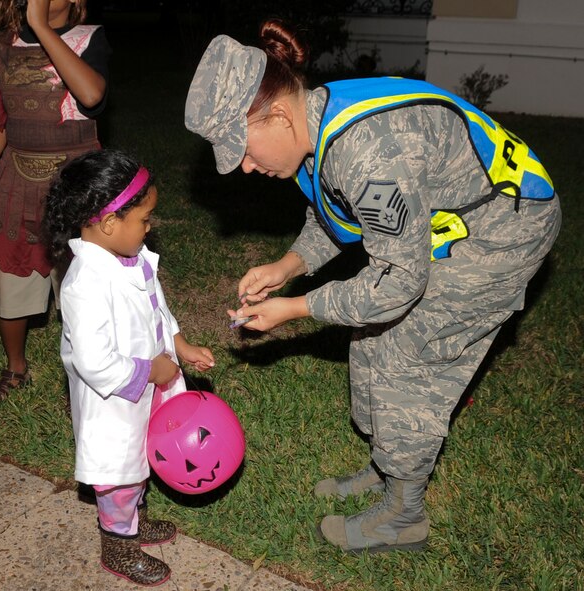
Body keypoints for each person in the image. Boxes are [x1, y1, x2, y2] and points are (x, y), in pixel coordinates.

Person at [184, 20, 561, 554]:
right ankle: (389, 470)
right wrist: (288, 266)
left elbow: (400, 282)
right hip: (457, 220)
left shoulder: (370, 152)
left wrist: (296, 308)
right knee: (370, 333)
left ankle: (405, 515)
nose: (245, 167)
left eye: (242, 151)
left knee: (411, 353)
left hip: (505, 230)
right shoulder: (315, 123)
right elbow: (338, 212)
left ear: (278, 115)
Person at [43, 149, 216, 585]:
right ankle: (118, 543)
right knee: (117, 474)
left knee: (140, 457)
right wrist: (149, 371)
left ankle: (134, 521)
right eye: (145, 218)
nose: (150, 226)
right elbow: (94, 361)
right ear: (108, 223)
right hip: (112, 402)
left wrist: (180, 345)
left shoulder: (132, 258)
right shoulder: (85, 283)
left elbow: (158, 312)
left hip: (146, 387)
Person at [0, 0, 110, 401]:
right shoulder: (1, 47)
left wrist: (40, 28)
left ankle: (97, 367)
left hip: (75, 185)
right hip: (16, 179)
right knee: (10, 280)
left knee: (87, 281)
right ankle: (16, 367)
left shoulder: (88, 39)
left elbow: (92, 94)